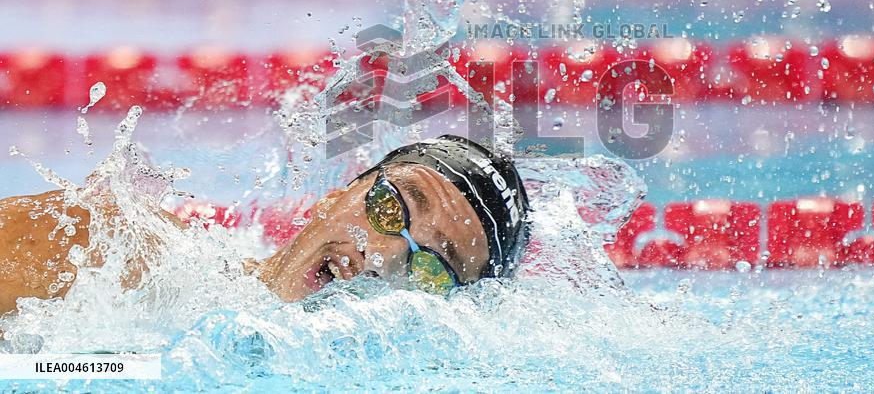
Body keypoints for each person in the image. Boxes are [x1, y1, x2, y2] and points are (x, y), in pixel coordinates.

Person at [0, 135, 530, 316]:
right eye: (391, 208)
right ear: (334, 196)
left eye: (434, 268)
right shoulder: (110, 251)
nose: (386, 255)